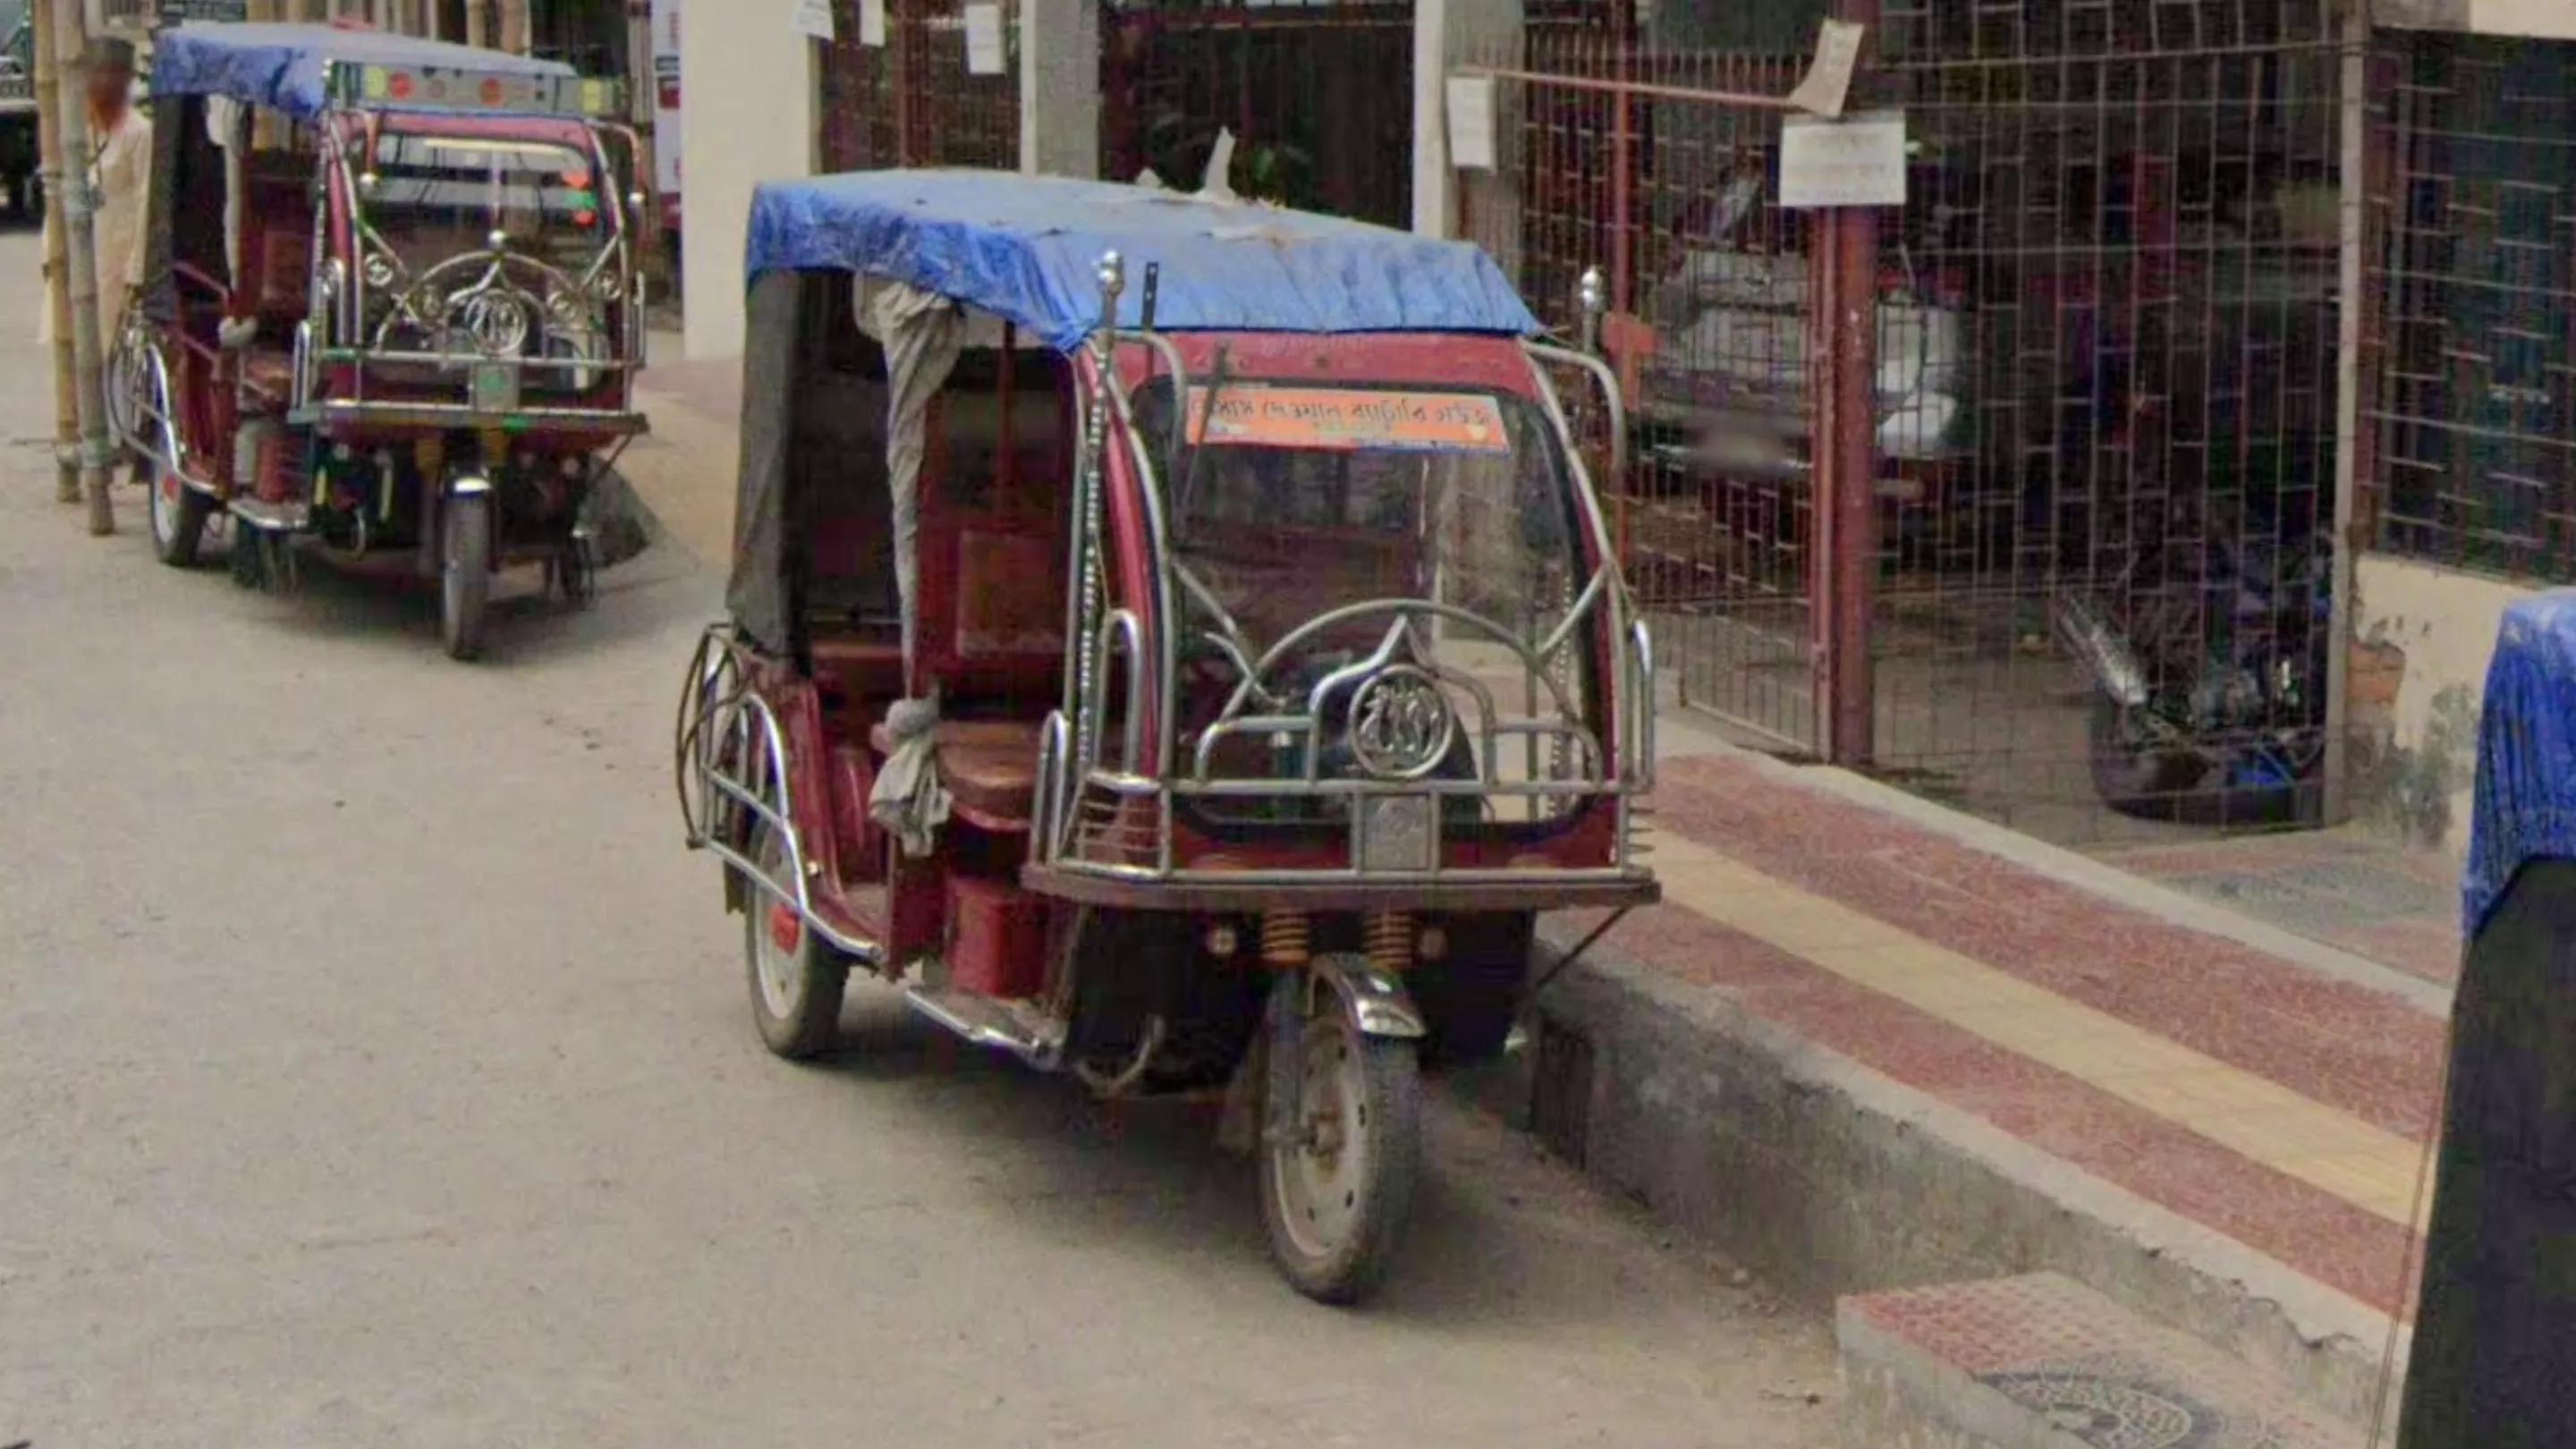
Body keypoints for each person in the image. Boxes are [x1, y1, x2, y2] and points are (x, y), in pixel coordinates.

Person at [84, 37, 148, 353]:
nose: (104, 82)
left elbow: (146, 201)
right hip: (83, 255)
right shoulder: (81, 130)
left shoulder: (139, 131)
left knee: (112, 346)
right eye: (97, 73)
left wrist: (137, 271)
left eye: (112, 73)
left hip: (118, 259)